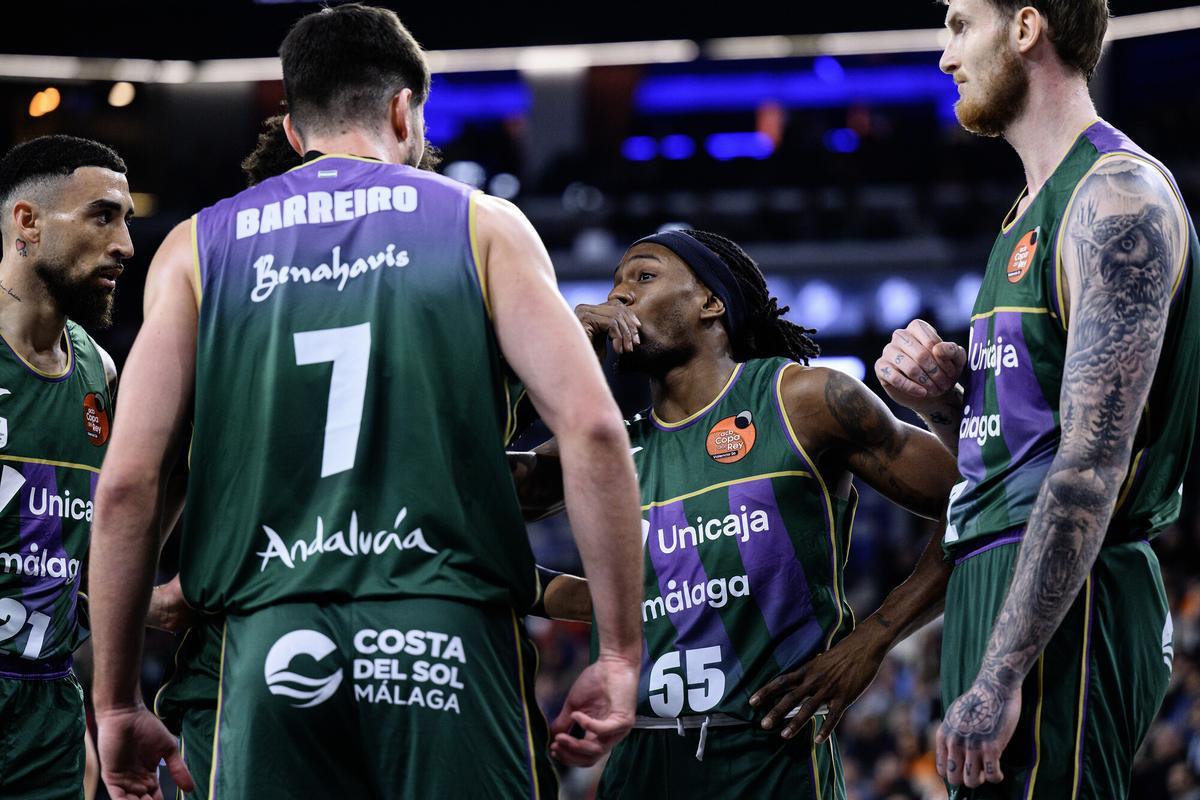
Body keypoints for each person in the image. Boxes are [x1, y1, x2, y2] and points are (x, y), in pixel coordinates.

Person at [88, 5, 643, 799]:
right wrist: (619, 655)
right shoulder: (483, 225)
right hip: (446, 630)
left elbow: (130, 484)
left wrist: (115, 699)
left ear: (290, 129)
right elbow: (591, 430)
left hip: (269, 636)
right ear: (401, 110)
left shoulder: (194, 247)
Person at [877, 1, 1200, 796]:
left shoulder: (1115, 197)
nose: (946, 56)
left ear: (1025, 29)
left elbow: (1090, 465)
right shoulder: (1024, 215)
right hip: (1002, 579)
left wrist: (1000, 673)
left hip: (1069, 597)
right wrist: (942, 402)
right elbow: (1013, 453)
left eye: (959, 25)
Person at [513, 228, 960, 797]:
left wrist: (870, 641)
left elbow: (975, 503)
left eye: (643, 276)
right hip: (638, 763)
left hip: (770, 762)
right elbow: (455, 490)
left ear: (711, 302)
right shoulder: (605, 450)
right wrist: (548, 364)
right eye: (615, 284)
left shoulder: (802, 401)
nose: (618, 296)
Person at [0, 135, 130, 799]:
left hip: (47, 705)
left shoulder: (99, 370)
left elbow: (75, 544)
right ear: (28, 222)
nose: (125, 245)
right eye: (102, 216)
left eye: (126, 220)